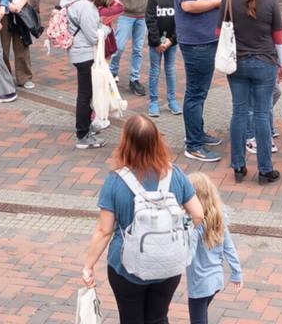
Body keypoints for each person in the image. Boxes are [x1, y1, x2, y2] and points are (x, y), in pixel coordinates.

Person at [80, 113, 205, 324]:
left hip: (126, 268)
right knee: (158, 317)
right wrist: (178, 231)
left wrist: (88, 266)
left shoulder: (115, 181)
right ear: (157, 140)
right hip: (168, 265)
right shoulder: (175, 174)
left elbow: (104, 231)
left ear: (126, 143)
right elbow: (199, 214)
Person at [223, 0, 282, 184]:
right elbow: (279, 38)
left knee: (238, 112)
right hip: (264, 63)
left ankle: (238, 167)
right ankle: (265, 169)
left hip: (236, 63)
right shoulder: (270, 1)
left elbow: (220, 33)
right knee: (261, 113)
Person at [175, 0, 227, 163]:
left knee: (200, 91)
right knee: (195, 92)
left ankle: (198, 133)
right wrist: (217, 3)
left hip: (207, 39)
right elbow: (188, 4)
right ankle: (193, 144)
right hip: (197, 42)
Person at [184, 171, 243, 324]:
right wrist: (237, 273)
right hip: (216, 279)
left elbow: (187, 256)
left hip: (199, 283)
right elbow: (229, 248)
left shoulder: (193, 225)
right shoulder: (218, 217)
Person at [64, 0, 108, 148]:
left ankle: (85, 129)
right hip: (85, 53)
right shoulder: (85, 4)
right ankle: (83, 134)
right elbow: (93, 35)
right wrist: (105, 30)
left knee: (85, 93)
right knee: (85, 95)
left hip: (76, 51)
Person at [145, 0, 180, 117]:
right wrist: (157, 42)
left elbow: (181, 20)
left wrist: (171, 40)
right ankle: (153, 101)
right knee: (154, 71)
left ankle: (172, 100)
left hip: (171, 43)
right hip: (156, 45)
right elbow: (150, 21)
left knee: (170, 70)